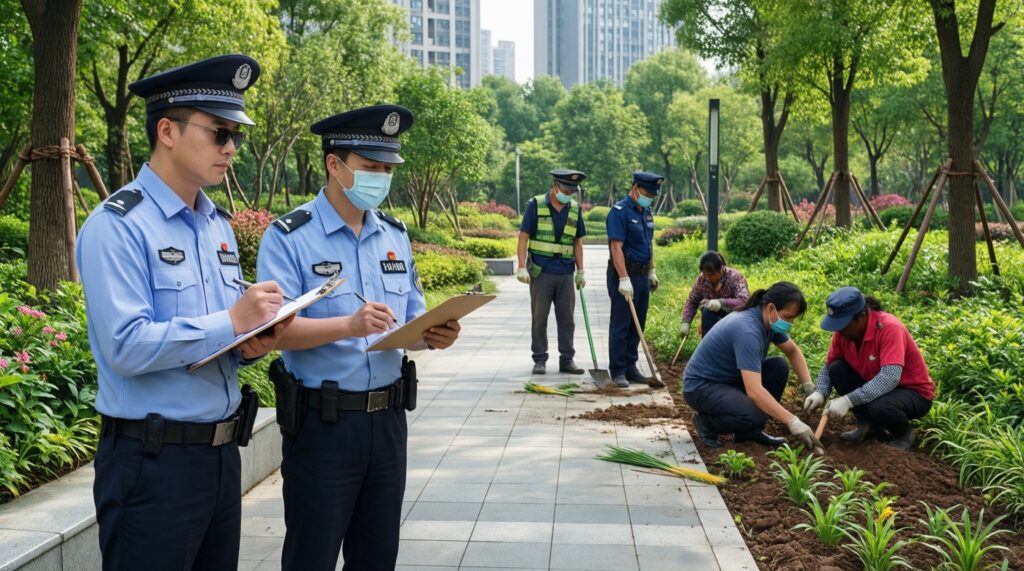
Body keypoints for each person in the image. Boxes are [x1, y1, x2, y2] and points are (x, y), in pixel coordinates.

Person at [77, 54, 291, 570]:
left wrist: (248, 343)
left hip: (219, 457)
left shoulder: (216, 225)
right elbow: (125, 345)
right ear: (167, 131)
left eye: (236, 136)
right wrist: (233, 321)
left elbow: (212, 339)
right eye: (219, 132)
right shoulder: (118, 225)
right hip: (153, 466)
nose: (231, 148)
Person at [256, 104, 462, 571]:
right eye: (371, 167)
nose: (382, 178)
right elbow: (274, 334)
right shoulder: (289, 236)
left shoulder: (393, 234)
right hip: (323, 425)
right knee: (312, 555)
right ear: (335, 164)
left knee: (377, 556)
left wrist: (433, 334)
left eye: (388, 169)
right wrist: (347, 325)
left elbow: (409, 322)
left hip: (388, 423)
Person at [683, 282, 823, 452]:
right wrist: (792, 421)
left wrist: (808, 387)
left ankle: (748, 432)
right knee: (755, 414)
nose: (790, 323)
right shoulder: (747, 330)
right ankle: (706, 422)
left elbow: (792, 351)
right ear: (770, 308)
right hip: (702, 386)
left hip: (729, 380)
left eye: (793, 318)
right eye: (788, 317)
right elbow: (754, 391)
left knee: (778, 367)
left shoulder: (768, 321)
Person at [803, 287, 935, 450]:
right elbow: (829, 365)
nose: (839, 331)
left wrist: (848, 400)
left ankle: (903, 433)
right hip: (876, 385)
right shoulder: (843, 333)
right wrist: (820, 392)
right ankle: (869, 426)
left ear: (862, 317)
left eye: (843, 326)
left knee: (880, 407)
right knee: (837, 369)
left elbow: (889, 377)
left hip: (912, 392)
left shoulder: (889, 328)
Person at [516, 168, 588, 375]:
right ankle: (539, 359)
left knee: (567, 319)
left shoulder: (574, 209)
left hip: (565, 272)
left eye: (572, 192)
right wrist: (521, 267)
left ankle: (567, 360)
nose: (569, 195)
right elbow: (523, 237)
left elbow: (577, 242)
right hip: (541, 272)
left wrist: (581, 270)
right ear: (555, 186)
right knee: (539, 318)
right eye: (566, 190)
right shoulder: (536, 205)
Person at [606, 172, 663, 387]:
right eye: (647, 194)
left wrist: (652, 270)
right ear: (635, 188)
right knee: (621, 324)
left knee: (638, 323)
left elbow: (648, 244)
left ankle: (631, 366)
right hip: (624, 274)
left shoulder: (646, 212)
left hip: (641, 275)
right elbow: (616, 247)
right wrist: (623, 278)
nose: (649, 198)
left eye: (652, 196)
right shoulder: (619, 212)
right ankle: (618, 370)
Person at [680, 250, 749, 338]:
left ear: (721, 268)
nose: (708, 278)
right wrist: (686, 321)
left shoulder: (735, 277)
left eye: (712, 275)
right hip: (710, 319)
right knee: (707, 310)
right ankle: (707, 342)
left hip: (733, 317)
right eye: (705, 274)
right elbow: (692, 301)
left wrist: (721, 303)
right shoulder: (701, 280)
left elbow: (744, 300)